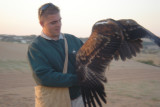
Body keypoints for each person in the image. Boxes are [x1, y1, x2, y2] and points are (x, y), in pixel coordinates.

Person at [27, 3, 84, 107]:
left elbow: (90, 61)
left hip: (79, 99)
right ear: (41, 23)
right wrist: (78, 79)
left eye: (59, 20)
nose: (58, 25)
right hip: (54, 101)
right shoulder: (36, 47)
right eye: (53, 22)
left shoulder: (73, 40)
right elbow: (45, 77)